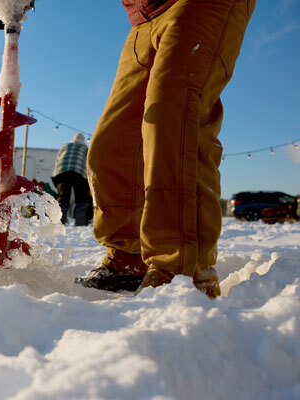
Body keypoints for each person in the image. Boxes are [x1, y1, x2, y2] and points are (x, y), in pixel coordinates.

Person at [76, 0, 256, 298]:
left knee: (173, 122)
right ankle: (129, 256)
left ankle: (183, 270)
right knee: (113, 144)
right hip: (143, 15)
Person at [51, 133, 93, 226]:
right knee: (81, 200)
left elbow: (58, 160)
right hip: (79, 173)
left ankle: (59, 224)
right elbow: (89, 164)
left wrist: (56, 179)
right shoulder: (85, 149)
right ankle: (80, 225)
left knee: (62, 199)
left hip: (61, 172)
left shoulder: (65, 146)